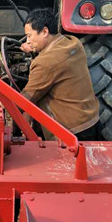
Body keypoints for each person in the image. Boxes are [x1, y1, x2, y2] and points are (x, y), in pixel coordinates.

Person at [20, 8, 101, 140]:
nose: (27, 41)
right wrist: (35, 48)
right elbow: (53, 58)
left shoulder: (45, 63)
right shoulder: (73, 43)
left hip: (72, 133)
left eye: (29, 36)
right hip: (92, 122)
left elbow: (23, 101)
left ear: (45, 32)